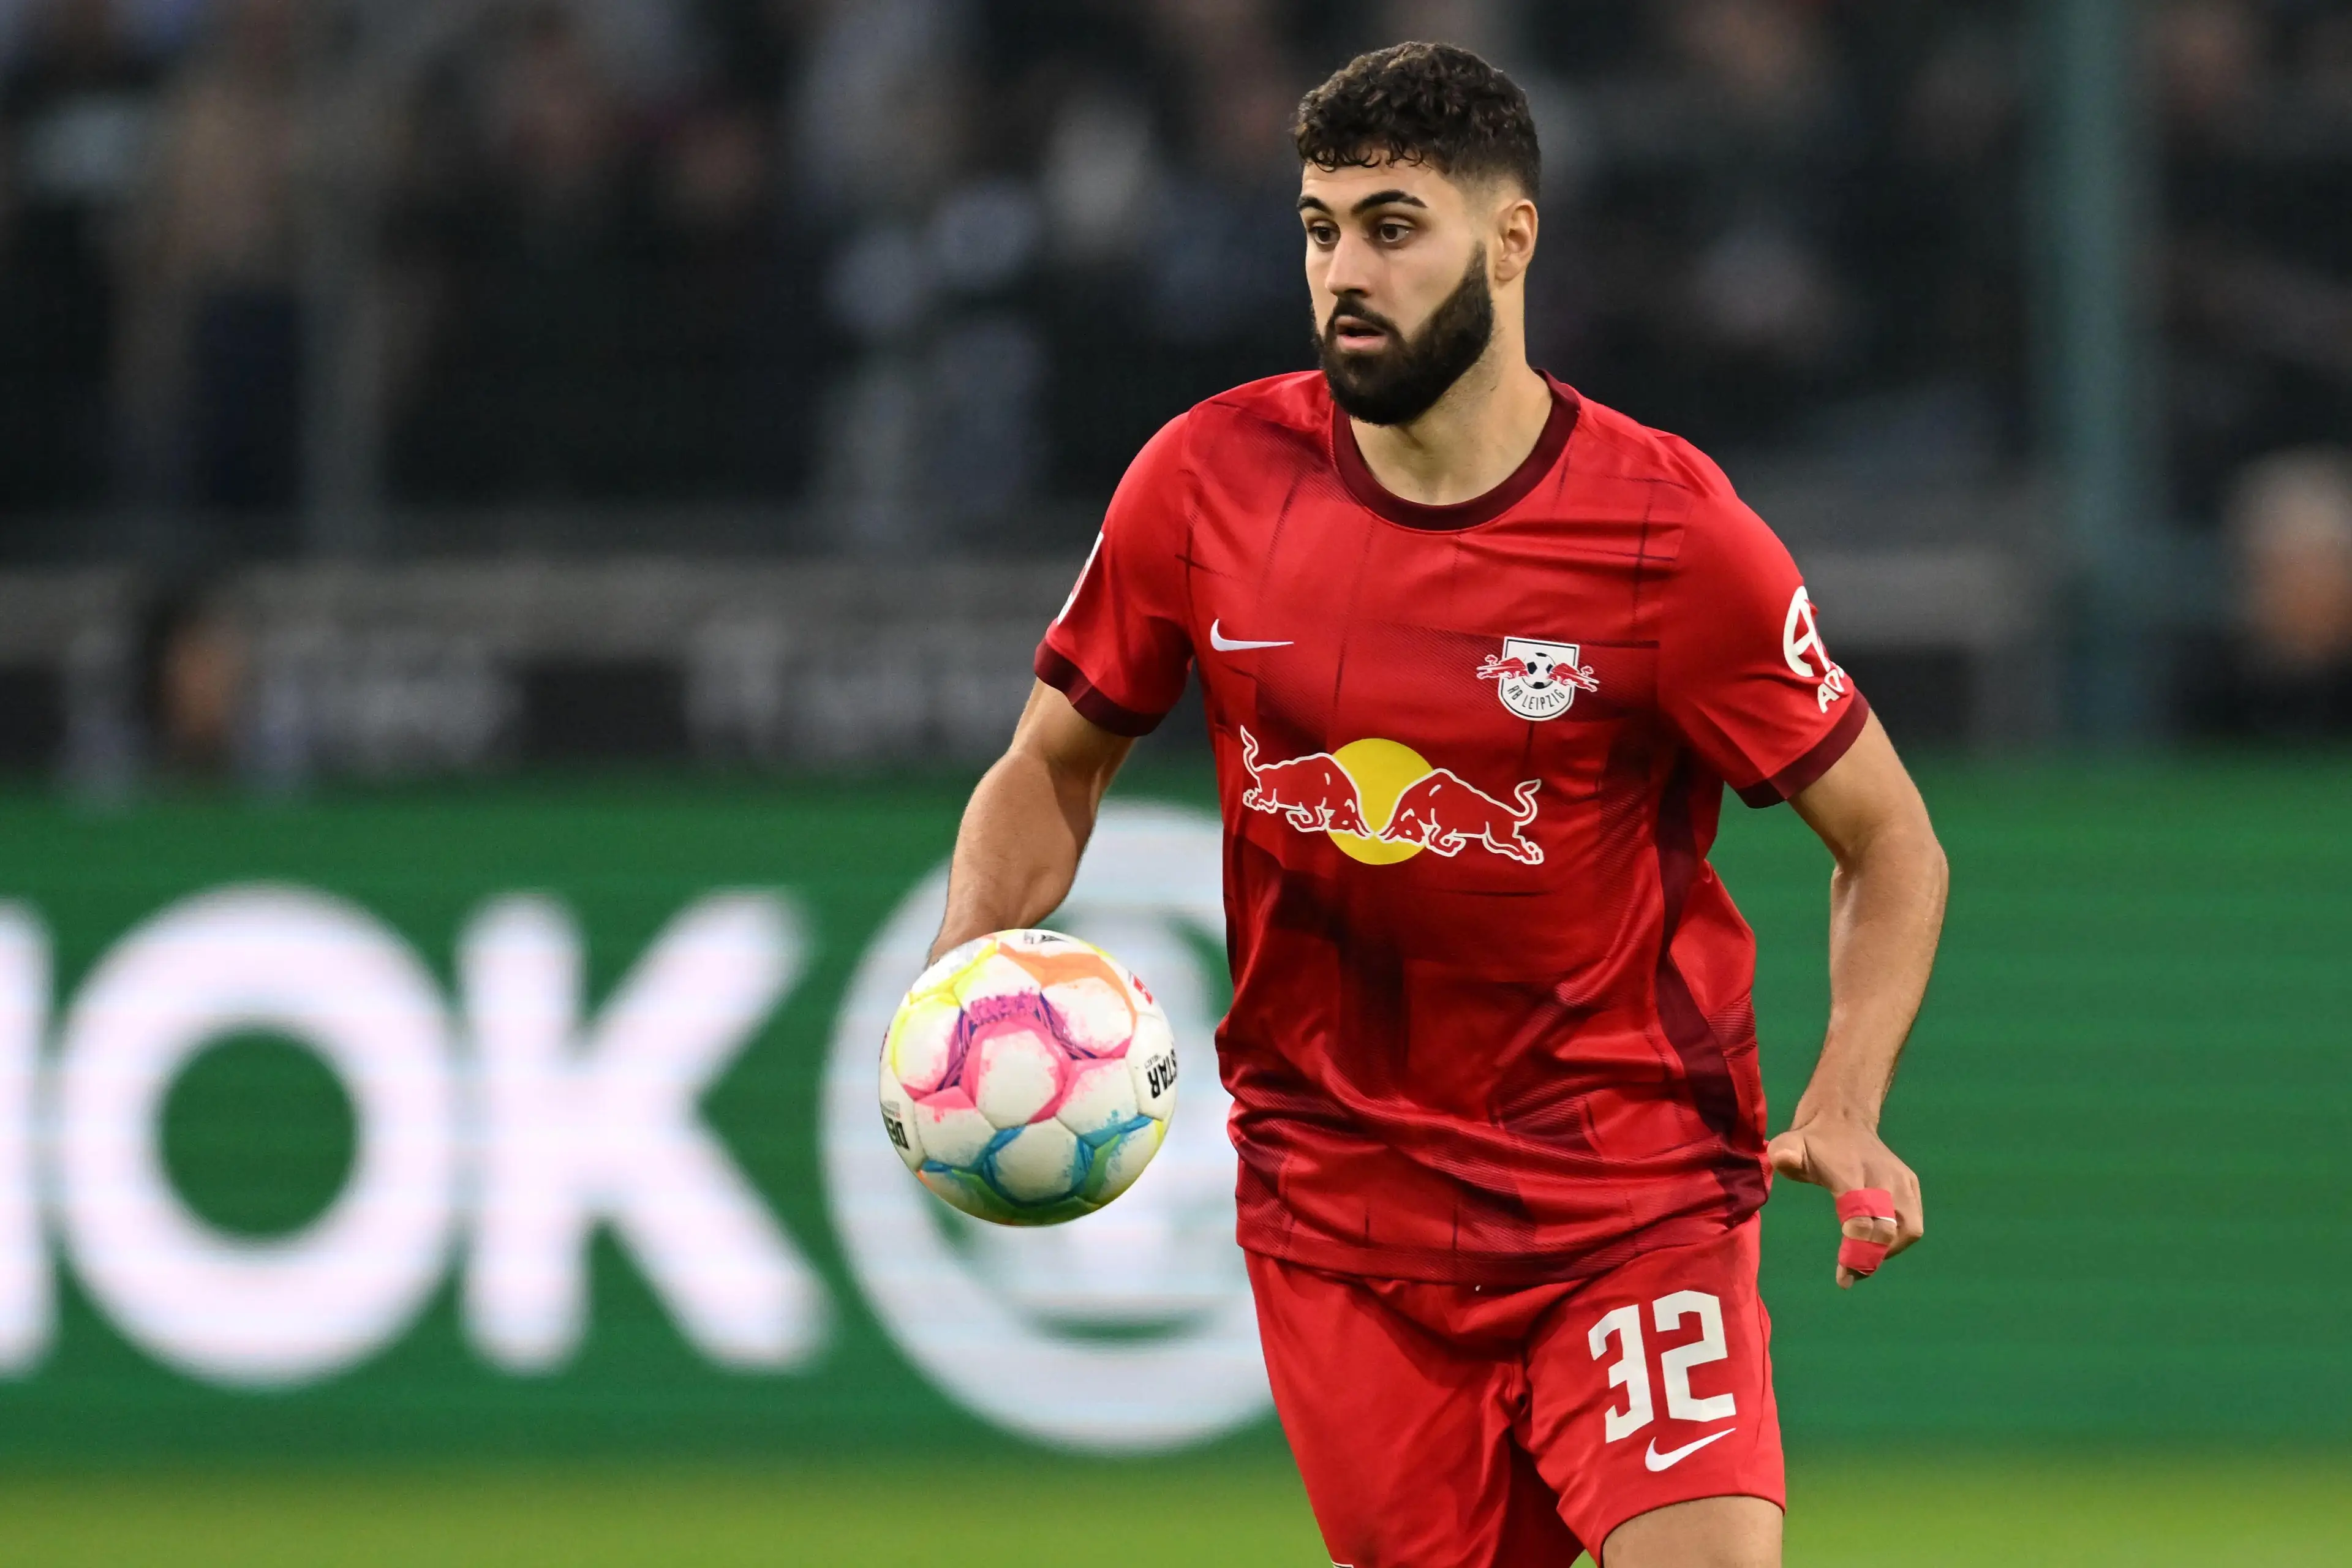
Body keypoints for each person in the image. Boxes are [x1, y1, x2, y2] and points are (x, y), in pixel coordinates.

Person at [929, 41, 1945, 1568]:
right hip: (1342, 1220)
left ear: (1512, 240)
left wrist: (1847, 1097)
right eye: (1320, 227)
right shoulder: (1204, 482)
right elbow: (1051, 761)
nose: (1346, 269)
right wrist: (962, 974)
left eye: (1393, 227)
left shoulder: (1671, 534)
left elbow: (1890, 840)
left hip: (1630, 1189)